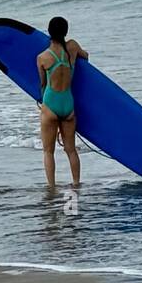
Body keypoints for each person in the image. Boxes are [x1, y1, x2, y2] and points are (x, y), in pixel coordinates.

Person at [36, 16, 86, 187]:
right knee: (71, 150)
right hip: (68, 105)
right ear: (66, 31)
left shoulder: (43, 57)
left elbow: (42, 84)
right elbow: (85, 57)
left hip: (51, 105)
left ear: (49, 32)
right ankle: (76, 184)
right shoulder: (72, 47)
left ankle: (52, 187)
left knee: (48, 151)